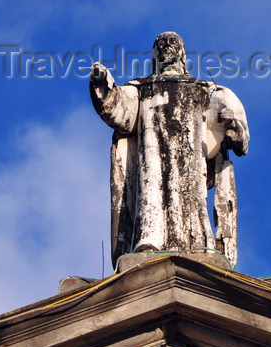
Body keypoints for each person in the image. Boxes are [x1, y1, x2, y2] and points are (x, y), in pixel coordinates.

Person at [90, 31, 249, 268]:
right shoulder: (141, 88)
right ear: (154, 55)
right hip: (151, 152)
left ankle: (196, 243)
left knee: (190, 194)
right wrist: (104, 84)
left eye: (172, 43)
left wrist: (231, 124)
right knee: (151, 189)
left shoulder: (204, 89)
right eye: (161, 44)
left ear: (182, 54)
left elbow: (231, 121)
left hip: (191, 155)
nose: (166, 46)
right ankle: (150, 241)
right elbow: (120, 109)